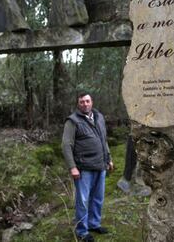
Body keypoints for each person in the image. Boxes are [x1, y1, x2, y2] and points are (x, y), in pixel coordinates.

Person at [62, 93, 114, 242]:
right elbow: (66, 146)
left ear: (92, 102)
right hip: (83, 168)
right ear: (78, 104)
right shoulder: (72, 121)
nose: (85, 104)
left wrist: (109, 158)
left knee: (98, 198)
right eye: (82, 102)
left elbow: (103, 140)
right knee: (83, 201)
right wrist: (72, 167)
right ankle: (82, 231)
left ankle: (94, 224)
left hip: (100, 165)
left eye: (87, 101)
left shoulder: (99, 117)